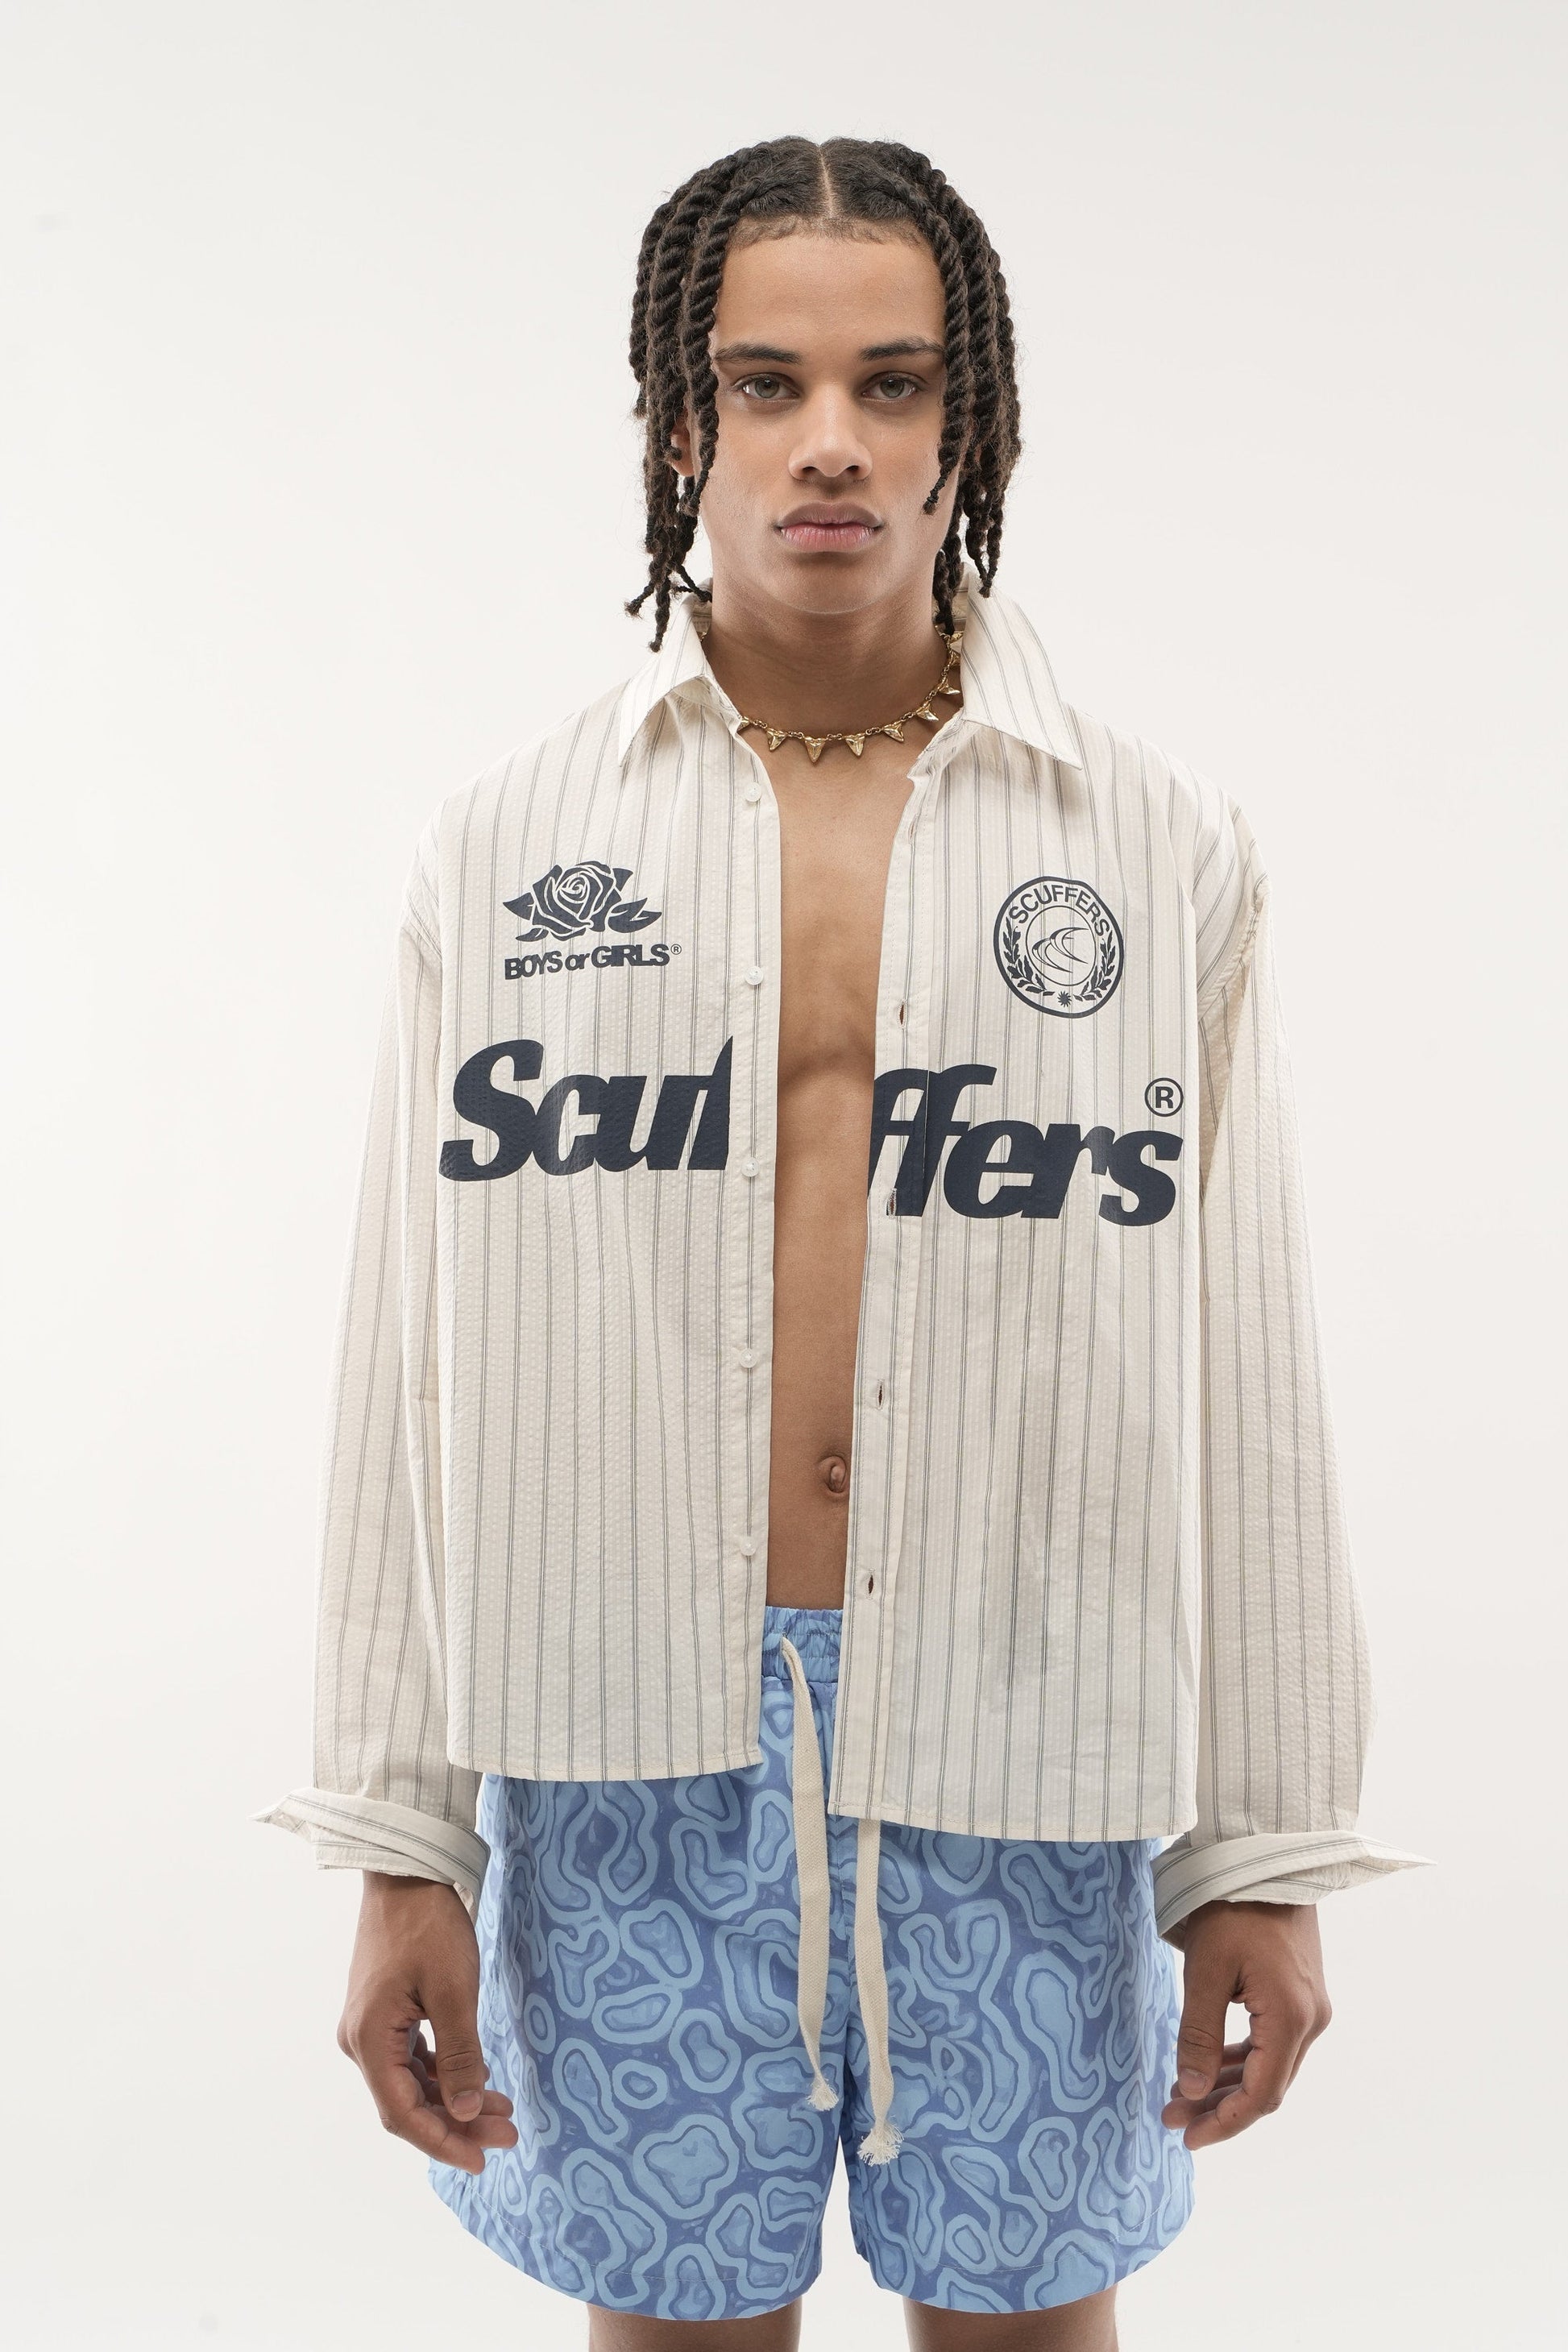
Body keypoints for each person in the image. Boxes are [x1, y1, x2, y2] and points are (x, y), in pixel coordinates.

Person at [256, 135, 1431, 2349]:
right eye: (764, 382)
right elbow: (404, 1360)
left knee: (1023, 2324)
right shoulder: (507, 844)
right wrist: (402, 1835)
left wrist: (1261, 1849)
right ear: (671, 422)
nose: (830, 443)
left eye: (893, 384)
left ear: (969, 423)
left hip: (1027, 1731)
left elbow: (1247, 1357)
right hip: (620, 1744)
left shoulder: (1150, 841)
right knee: (679, 2328)